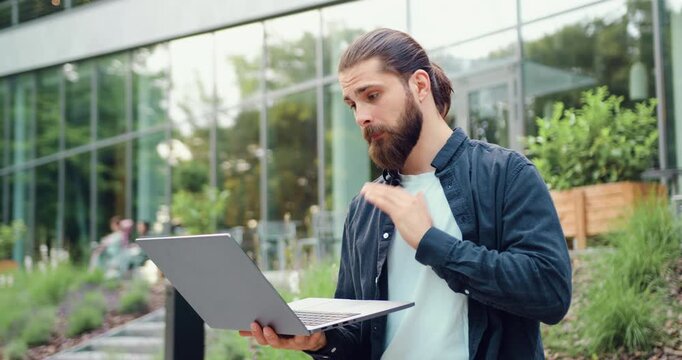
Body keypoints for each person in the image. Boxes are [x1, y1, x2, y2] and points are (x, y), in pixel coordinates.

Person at [240, 28, 572, 359]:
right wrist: (322, 342)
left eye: (372, 96)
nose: (361, 116)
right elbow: (358, 337)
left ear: (419, 85)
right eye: (352, 104)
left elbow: (549, 293)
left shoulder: (504, 174)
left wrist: (433, 244)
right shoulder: (365, 208)